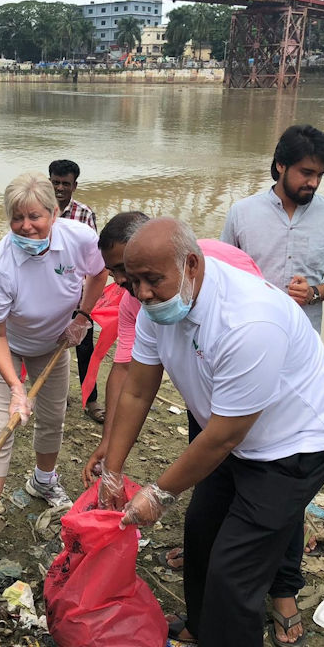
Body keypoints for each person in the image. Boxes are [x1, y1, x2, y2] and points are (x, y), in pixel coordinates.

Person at [99, 218, 324, 647]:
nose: (140, 292)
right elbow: (139, 387)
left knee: (234, 573)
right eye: (133, 280)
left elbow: (223, 436)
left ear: (191, 265)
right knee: (202, 533)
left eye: (151, 280)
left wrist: (159, 493)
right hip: (235, 434)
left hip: (297, 444)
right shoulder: (157, 306)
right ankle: (200, 626)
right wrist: (112, 469)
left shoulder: (249, 318)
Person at [81, 212, 263, 572]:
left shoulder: (226, 269)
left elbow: (256, 330)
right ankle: (204, 549)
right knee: (210, 480)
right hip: (204, 402)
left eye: (133, 273)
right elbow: (128, 376)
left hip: (253, 384)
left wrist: (160, 494)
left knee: (263, 505)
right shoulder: (138, 298)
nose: (123, 283)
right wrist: (110, 452)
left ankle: (282, 585)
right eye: (122, 274)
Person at [0, 171, 108, 570]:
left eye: (35, 217)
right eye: (17, 218)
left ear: (55, 212)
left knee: (53, 416)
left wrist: (83, 315)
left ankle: (42, 481)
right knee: (3, 425)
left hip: (54, 341)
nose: (26, 226)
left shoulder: (79, 239)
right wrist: (15, 386)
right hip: (4, 343)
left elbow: (99, 273)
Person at [220, 124, 324, 334]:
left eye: (320, 175)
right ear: (281, 165)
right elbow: (221, 275)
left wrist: (314, 292)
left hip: (305, 338)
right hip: (247, 334)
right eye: (306, 173)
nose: (313, 182)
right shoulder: (242, 213)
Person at [49, 159, 104, 424]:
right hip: (47, 293)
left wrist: (85, 305)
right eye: (55, 182)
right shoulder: (39, 211)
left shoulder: (84, 214)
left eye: (65, 184)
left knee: (85, 349)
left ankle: (90, 400)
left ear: (75, 186)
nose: (60, 188)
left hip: (78, 294)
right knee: (46, 345)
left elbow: (94, 259)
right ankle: (46, 395)